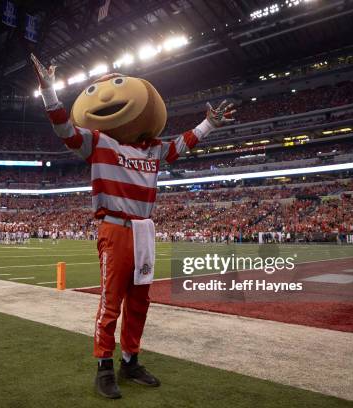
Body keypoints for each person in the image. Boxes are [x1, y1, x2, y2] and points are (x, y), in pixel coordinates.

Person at [31, 54, 236, 399]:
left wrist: (209, 125)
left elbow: (182, 144)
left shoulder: (154, 149)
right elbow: (63, 128)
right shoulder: (98, 143)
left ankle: (130, 360)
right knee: (111, 301)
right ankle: (104, 366)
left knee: (140, 301)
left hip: (144, 230)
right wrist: (49, 92)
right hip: (114, 228)